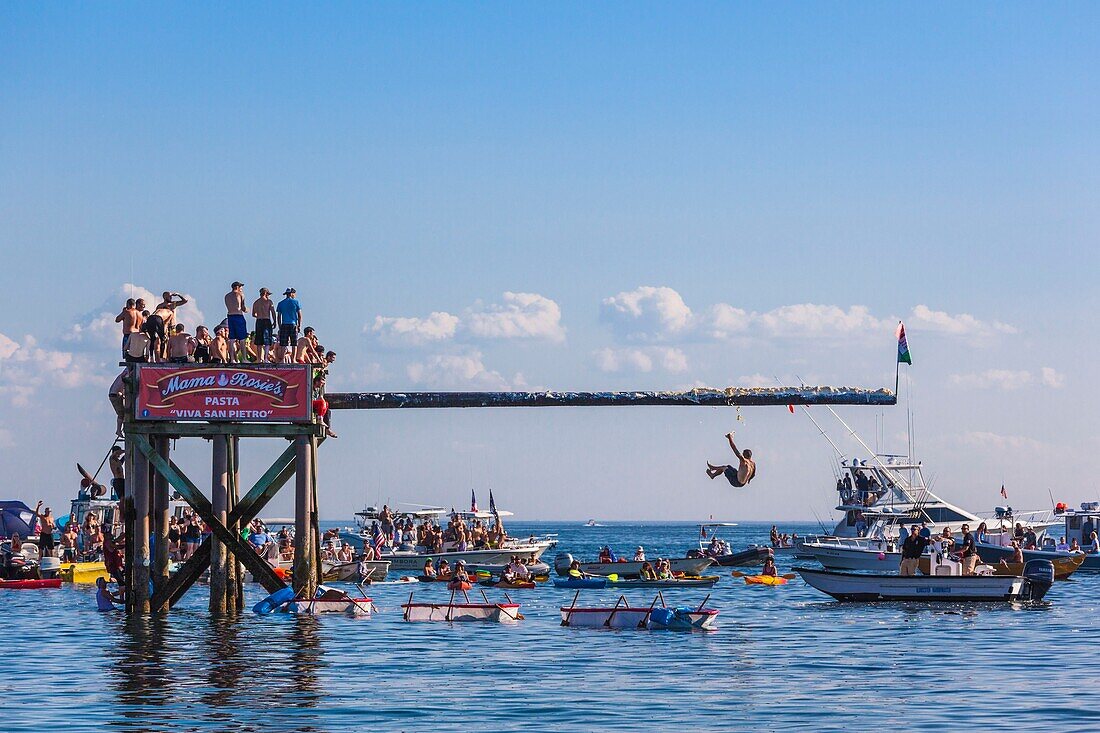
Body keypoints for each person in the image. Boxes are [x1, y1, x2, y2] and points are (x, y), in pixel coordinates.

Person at [145, 292, 188, 361]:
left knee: (172, 341)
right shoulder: (160, 306)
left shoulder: (173, 304)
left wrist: (178, 294)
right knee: (162, 341)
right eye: (169, 296)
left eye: (171, 296)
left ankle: (171, 357)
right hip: (162, 325)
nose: (171, 298)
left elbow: (185, 301)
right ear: (165, 297)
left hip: (172, 326)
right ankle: (162, 357)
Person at [276, 288, 302, 363]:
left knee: (283, 343)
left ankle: (282, 359)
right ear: (291, 293)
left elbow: (279, 316)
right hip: (293, 324)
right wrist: (299, 325)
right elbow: (299, 315)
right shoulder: (296, 302)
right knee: (294, 343)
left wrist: (279, 325)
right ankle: (293, 359)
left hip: (284, 324)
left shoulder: (281, 303)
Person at [251, 288, 277, 362]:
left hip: (259, 321)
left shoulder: (256, 302)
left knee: (259, 341)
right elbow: (273, 312)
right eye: (268, 294)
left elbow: (253, 314)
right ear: (265, 293)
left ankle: (259, 359)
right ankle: (265, 358)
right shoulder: (268, 302)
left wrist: (259, 315)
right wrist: (275, 321)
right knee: (267, 340)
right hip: (266, 320)